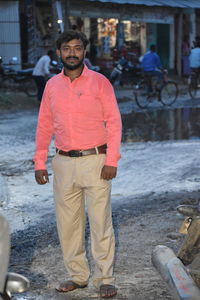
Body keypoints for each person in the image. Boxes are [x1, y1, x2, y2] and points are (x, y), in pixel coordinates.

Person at [33, 30, 122, 298]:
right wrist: (40, 161)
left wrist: (111, 159)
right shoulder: (51, 85)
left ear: (85, 51)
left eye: (78, 47)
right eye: (67, 48)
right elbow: (44, 126)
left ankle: (105, 277)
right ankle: (77, 275)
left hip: (96, 160)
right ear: (58, 52)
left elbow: (114, 122)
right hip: (62, 162)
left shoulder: (100, 82)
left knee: (100, 222)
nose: (72, 52)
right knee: (67, 224)